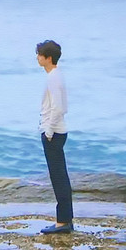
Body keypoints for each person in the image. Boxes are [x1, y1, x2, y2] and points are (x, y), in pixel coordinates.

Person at [36, 39, 73, 234]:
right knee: (60, 176)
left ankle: (63, 222)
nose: (37, 58)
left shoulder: (53, 77)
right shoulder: (56, 76)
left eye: (40, 55)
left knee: (58, 177)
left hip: (54, 133)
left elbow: (58, 107)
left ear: (48, 58)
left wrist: (48, 130)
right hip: (56, 131)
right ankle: (65, 219)